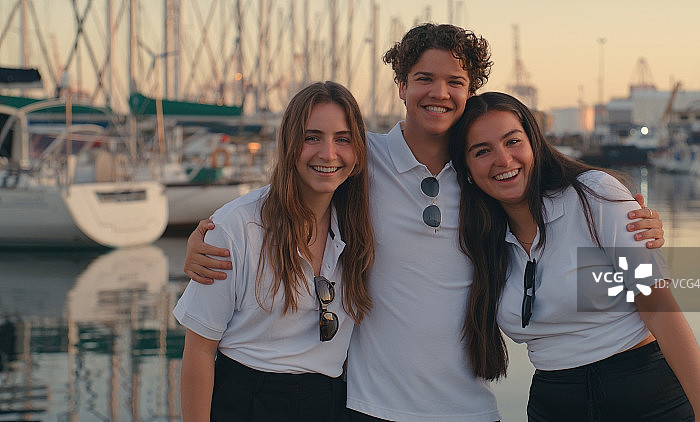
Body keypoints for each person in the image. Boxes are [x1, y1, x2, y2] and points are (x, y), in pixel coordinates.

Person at [183, 24, 665, 421]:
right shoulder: (362, 160)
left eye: (455, 81)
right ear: (402, 86)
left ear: (470, 90)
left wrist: (634, 220)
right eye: (424, 79)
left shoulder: (486, 174)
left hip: (471, 409)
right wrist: (209, 232)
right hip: (369, 407)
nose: (440, 92)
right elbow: (298, 184)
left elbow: (554, 216)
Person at [448, 91, 700, 421]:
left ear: (534, 143)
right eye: (482, 151)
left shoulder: (593, 196)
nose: (503, 160)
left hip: (644, 396)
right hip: (554, 403)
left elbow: (661, 310)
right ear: (465, 170)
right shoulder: (478, 239)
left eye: (512, 141)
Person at [173, 81, 374, 422]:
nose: (328, 153)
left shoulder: (360, 226)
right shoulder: (238, 226)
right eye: (312, 137)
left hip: (330, 402)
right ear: (289, 144)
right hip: (246, 402)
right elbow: (199, 350)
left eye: (342, 139)